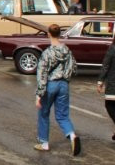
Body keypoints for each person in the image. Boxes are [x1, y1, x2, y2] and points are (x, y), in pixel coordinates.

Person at [34, 23, 81, 156]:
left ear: (49, 34)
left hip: (51, 84)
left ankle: (44, 143)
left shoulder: (47, 53)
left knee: (43, 113)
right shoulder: (67, 50)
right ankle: (72, 135)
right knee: (62, 115)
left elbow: (42, 73)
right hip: (64, 84)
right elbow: (74, 67)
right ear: (60, 34)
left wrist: (39, 94)